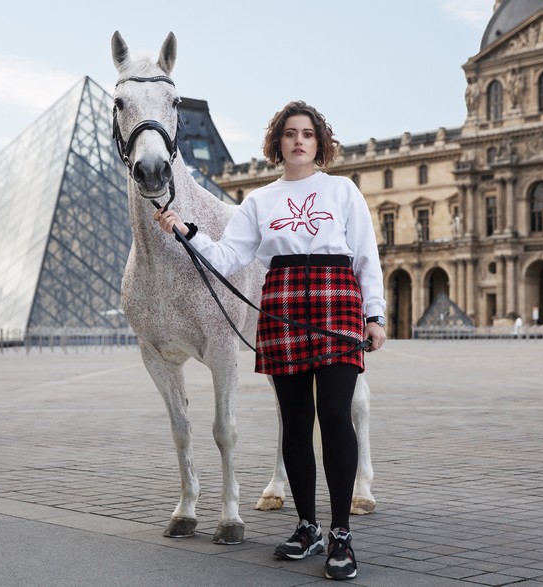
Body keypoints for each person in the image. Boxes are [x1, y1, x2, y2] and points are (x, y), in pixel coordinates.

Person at [155, 100, 386, 580]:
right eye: (290, 133)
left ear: (319, 142)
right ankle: (307, 527)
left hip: (335, 294)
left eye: (307, 133)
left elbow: (366, 256)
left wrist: (375, 315)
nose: (299, 140)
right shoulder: (259, 201)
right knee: (296, 423)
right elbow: (227, 255)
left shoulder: (343, 191)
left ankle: (340, 533)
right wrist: (183, 229)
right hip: (280, 300)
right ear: (278, 143)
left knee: (335, 416)